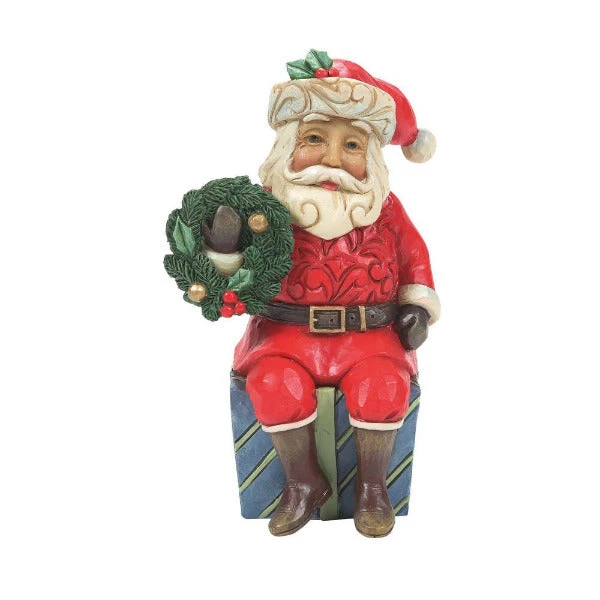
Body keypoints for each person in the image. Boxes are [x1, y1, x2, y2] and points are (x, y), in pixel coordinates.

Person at [205, 53, 440, 537]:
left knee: (382, 387)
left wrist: (417, 306)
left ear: (370, 159)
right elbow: (235, 275)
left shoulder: (384, 209)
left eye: (351, 145)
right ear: (287, 145)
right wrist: (225, 248)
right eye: (314, 139)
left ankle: (372, 487)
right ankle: (302, 482)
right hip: (283, 336)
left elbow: (414, 255)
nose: (332, 159)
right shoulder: (265, 207)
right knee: (273, 385)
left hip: (369, 338)